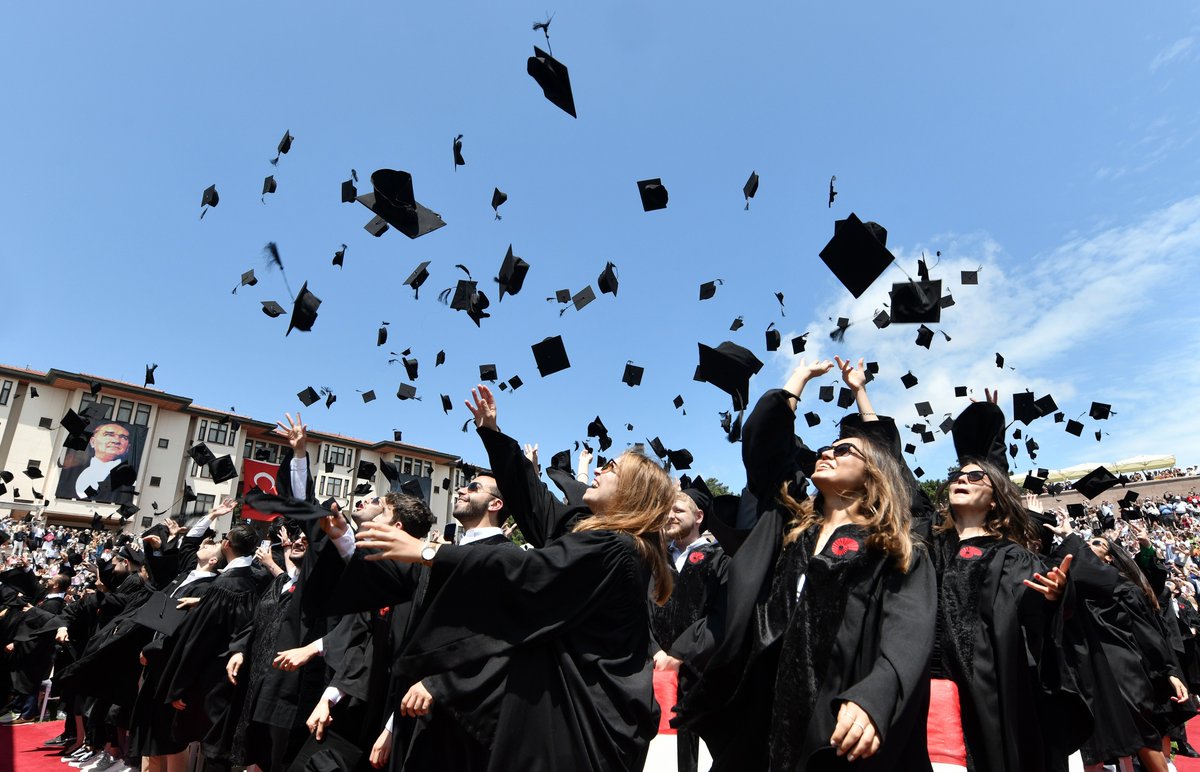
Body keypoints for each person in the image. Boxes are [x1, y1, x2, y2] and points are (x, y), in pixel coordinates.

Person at [342, 383, 675, 771]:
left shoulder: (616, 549)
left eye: (612, 468)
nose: (599, 469)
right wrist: (493, 435)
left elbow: (526, 571)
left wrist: (427, 551)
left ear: (632, 493)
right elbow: (536, 504)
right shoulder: (598, 537)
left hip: (587, 721)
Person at [676, 359, 938, 771]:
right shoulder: (790, 533)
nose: (827, 452)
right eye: (825, 449)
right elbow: (763, 444)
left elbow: (908, 633)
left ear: (874, 475)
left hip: (838, 721)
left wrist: (875, 697)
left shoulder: (893, 547)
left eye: (843, 449)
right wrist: (797, 381)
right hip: (769, 715)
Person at [926, 392, 1085, 772]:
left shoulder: (1012, 557)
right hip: (925, 697)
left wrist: (1055, 598)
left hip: (984, 701)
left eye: (975, 477)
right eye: (957, 476)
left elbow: (1031, 626)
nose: (962, 479)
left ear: (996, 497)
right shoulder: (926, 545)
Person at [1052, 521, 1194, 772]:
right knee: (1094, 742)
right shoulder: (1081, 587)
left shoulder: (1120, 587)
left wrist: (1169, 670)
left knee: (1140, 733)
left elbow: (1147, 633)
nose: (1088, 544)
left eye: (1097, 543)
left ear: (1108, 558)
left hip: (1123, 667)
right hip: (1092, 668)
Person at [649, 475, 728, 772]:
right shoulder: (655, 559)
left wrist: (683, 653)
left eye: (678, 510)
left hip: (699, 671)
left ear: (698, 517)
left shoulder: (718, 558)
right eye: (666, 510)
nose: (669, 515)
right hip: (654, 669)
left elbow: (721, 615)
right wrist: (654, 650)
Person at [56, 421, 137, 504]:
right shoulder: (69, 472)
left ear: (128, 448)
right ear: (92, 442)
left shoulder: (130, 478)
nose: (116, 441)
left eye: (124, 437)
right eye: (109, 434)